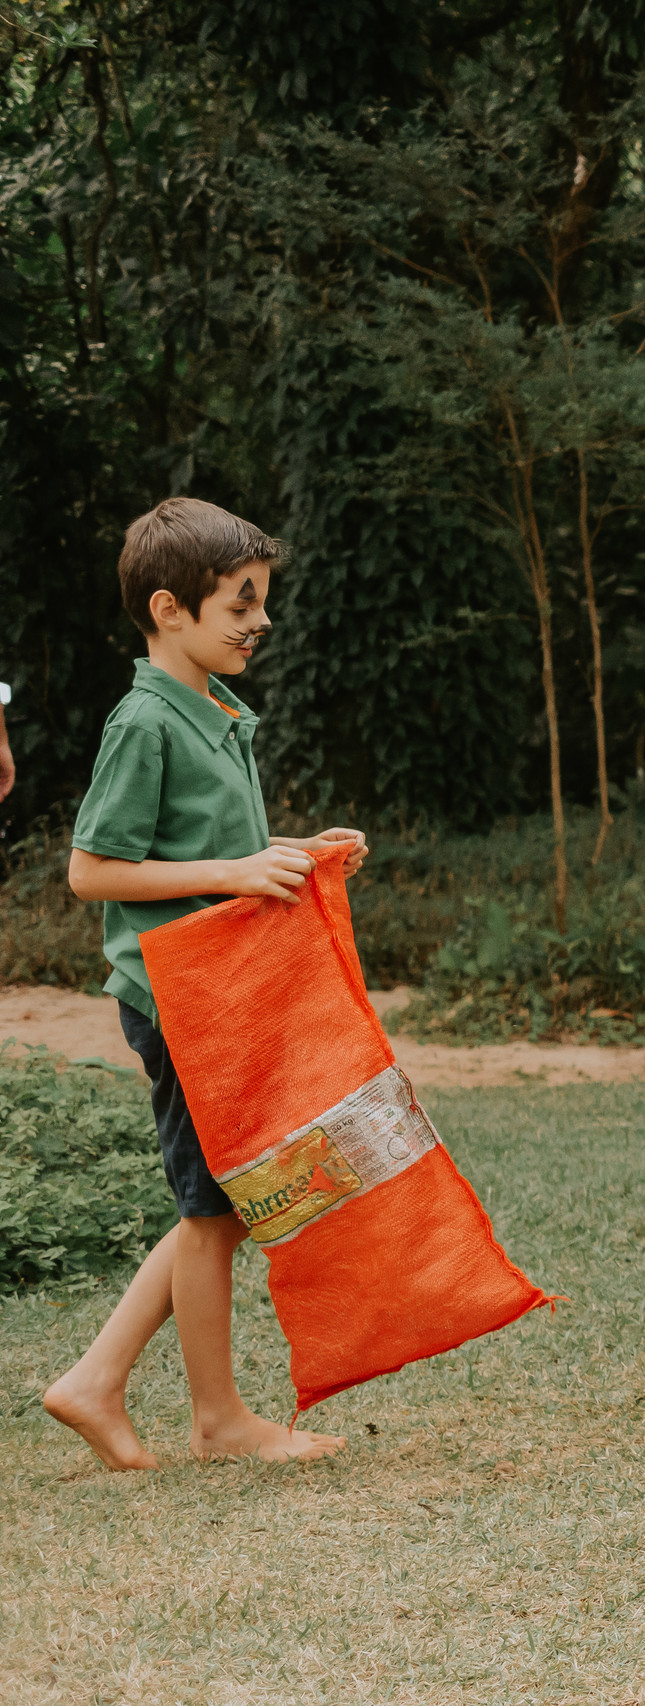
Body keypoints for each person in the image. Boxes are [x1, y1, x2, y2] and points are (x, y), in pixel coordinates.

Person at [41, 497, 370, 1470]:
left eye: (260, 600)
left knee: (220, 1199)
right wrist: (234, 872)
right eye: (239, 602)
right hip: (175, 997)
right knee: (209, 1206)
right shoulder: (144, 721)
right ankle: (218, 1418)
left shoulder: (214, 711)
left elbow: (209, 849)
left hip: (219, 996)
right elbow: (92, 869)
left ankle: (95, 1380)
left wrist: (291, 853)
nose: (259, 620)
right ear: (167, 609)